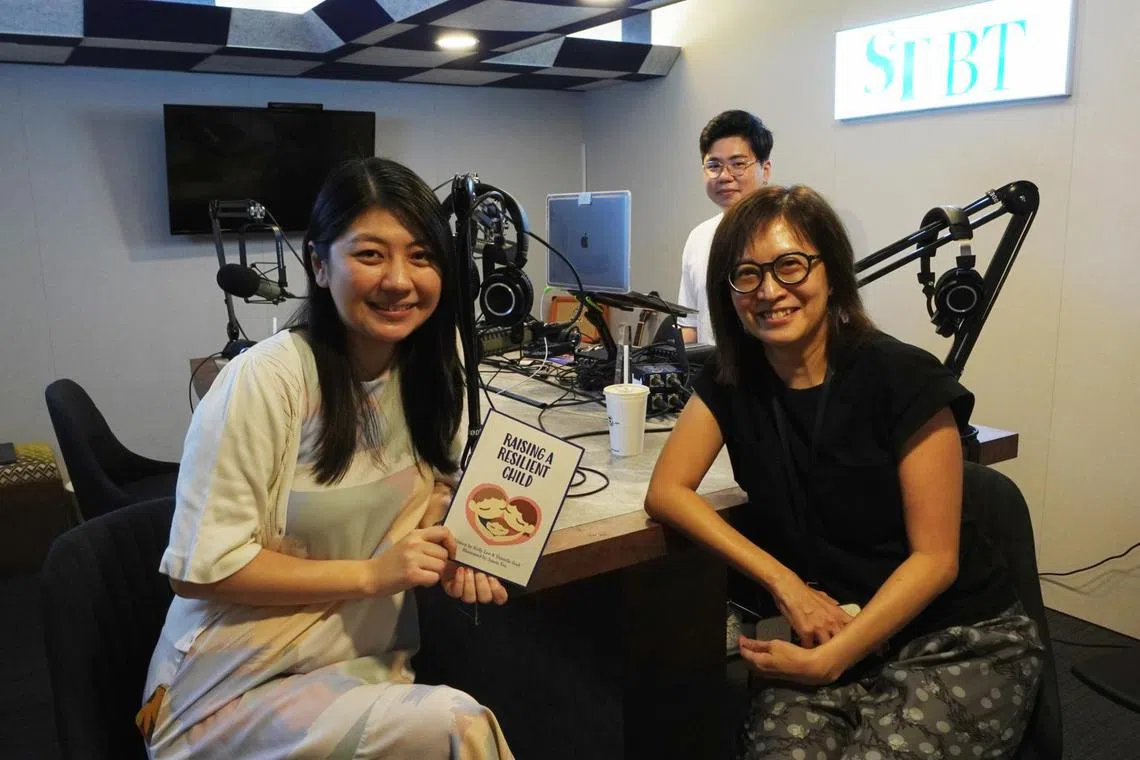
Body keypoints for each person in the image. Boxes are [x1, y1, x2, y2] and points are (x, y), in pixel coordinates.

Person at [646, 185, 1043, 759]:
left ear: (831, 272)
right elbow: (667, 491)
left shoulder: (902, 376)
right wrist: (784, 582)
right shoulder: (733, 378)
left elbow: (936, 560)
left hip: (951, 637)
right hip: (828, 624)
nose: (769, 290)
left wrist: (834, 657)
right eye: (747, 275)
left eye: (789, 266)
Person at [136, 157, 514, 759]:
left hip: (361, 666)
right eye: (369, 255)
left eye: (421, 256)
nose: (398, 279)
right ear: (318, 263)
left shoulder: (440, 374)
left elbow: (435, 490)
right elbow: (198, 567)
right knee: (456, 725)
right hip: (230, 689)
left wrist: (455, 542)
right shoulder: (266, 381)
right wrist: (373, 575)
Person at [677, 110, 773, 345]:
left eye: (738, 164)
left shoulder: (784, 235)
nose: (724, 176)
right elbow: (690, 327)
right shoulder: (698, 237)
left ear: (765, 170)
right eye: (714, 165)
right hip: (714, 375)